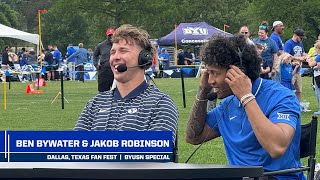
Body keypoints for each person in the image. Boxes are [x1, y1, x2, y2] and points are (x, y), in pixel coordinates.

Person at [186, 34, 304, 179]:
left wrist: (246, 97)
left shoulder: (282, 97)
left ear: (239, 72)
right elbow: (194, 137)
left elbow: (276, 147)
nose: (210, 80)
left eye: (214, 73)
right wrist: (202, 91)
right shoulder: (227, 105)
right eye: (208, 72)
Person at [74, 24, 178, 142]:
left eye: (123, 51)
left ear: (143, 58)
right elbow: (74, 151)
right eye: (113, 52)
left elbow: (155, 154)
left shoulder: (161, 104)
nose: (115, 57)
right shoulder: (94, 104)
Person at [284, 28, 309, 103]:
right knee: (290, 90)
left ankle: (299, 105)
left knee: (299, 91)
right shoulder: (289, 43)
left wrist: (307, 56)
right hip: (290, 70)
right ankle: (289, 104)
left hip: (298, 70)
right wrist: (298, 58)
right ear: (296, 36)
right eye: (301, 38)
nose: (301, 39)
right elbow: (286, 55)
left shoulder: (300, 43)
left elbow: (303, 53)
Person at [93, 27, 115, 92]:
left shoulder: (119, 44)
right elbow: (95, 55)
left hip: (116, 71)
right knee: (103, 92)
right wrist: (96, 64)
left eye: (112, 35)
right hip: (104, 71)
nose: (111, 37)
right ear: (107, 36)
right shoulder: (101, 45)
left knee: (118, 92)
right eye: (109, 35)